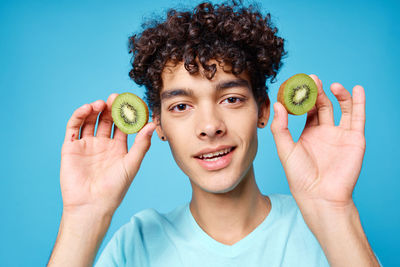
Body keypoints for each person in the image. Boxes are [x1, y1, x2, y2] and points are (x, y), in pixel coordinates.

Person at [47, 1, 380, 266]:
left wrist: (334, 211)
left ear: (262, 110)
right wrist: (84, 216)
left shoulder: (325, 230)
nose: (210, 126)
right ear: (159, 125)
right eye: (180, 106)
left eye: (231, 98)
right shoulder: (136, 245)